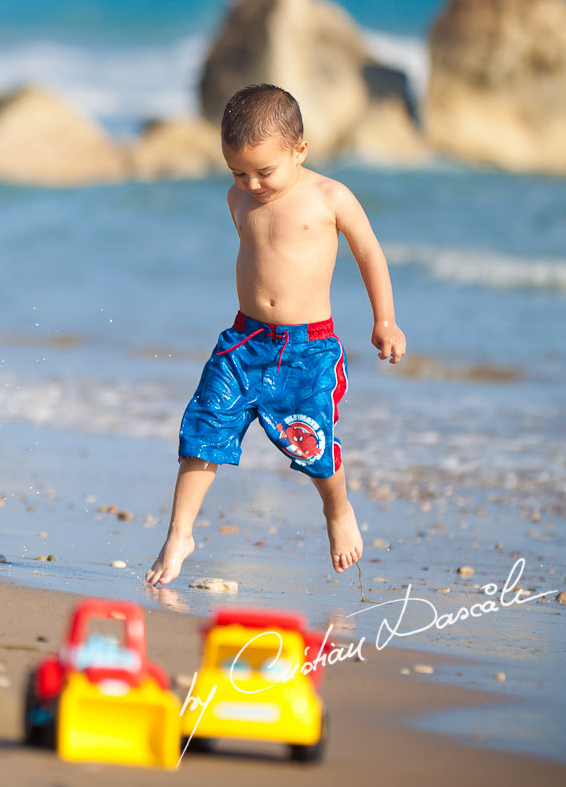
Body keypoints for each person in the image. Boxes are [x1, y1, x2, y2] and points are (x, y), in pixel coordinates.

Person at [144, 84, 406, 586]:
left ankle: (337, 510)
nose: (252, 183)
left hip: (308, 348)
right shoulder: (236, 197)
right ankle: (179, 533)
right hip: (243, 343)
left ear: (299, 151)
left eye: (265, 171)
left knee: (312, 443)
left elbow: (370, 253)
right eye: (238, 172)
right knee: (204, 427)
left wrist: (385, 320)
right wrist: (246, 185)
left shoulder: (330, 196)